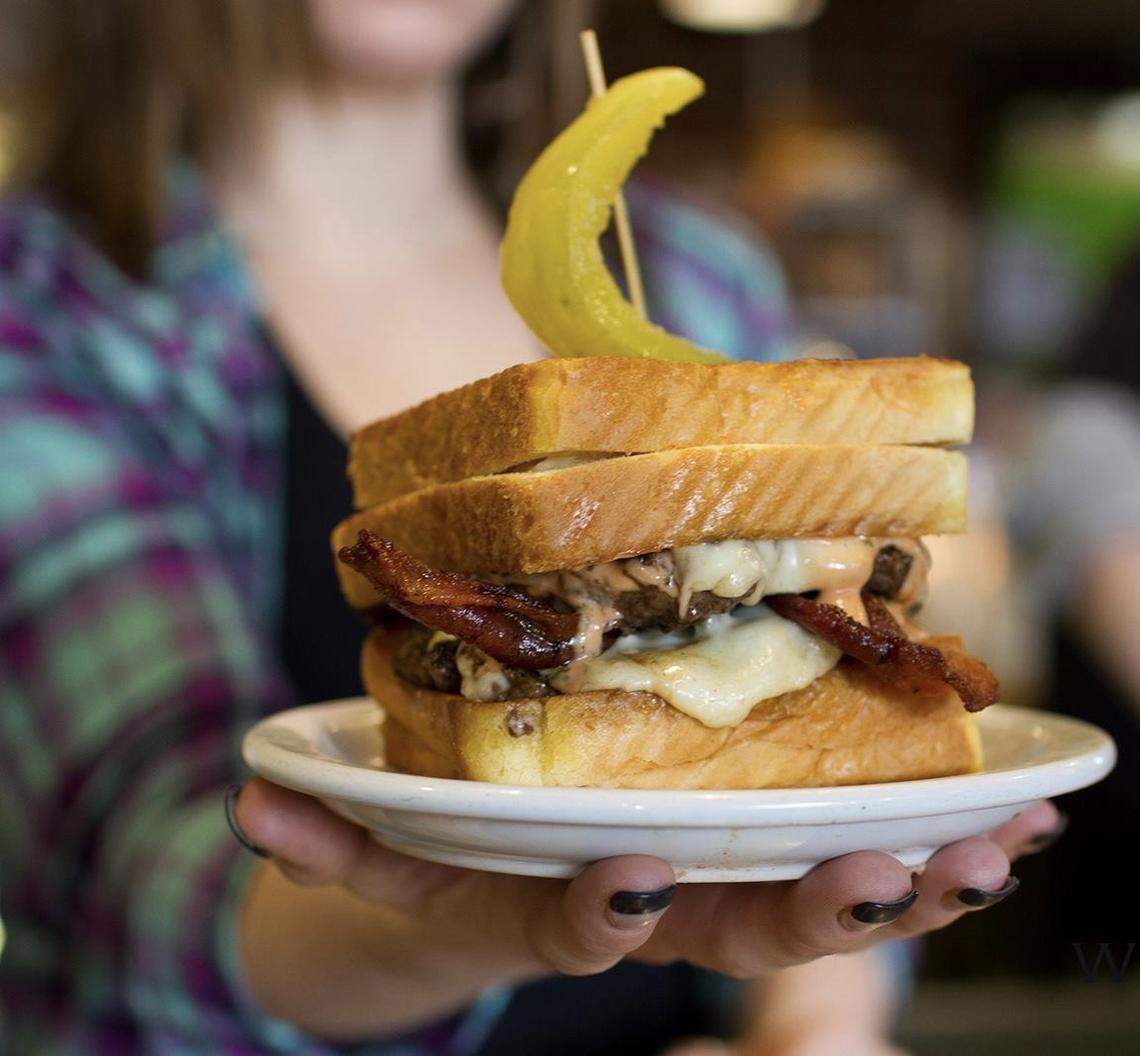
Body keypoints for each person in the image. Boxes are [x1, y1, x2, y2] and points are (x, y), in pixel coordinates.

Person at [0, 2, 1061, 1053]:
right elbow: (140, 870)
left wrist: (814, 1025)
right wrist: (459, 927)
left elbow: (827, 810)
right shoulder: (41, 301)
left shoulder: (699, 269)